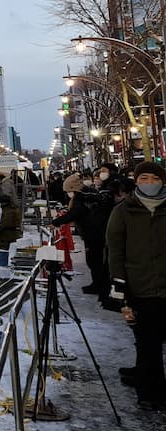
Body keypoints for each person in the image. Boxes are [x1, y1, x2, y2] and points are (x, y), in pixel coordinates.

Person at [105, 161, 166, 411]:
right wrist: (120, 290)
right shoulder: (123, 211)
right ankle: (150, 392)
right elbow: (115, 251)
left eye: (154, 178)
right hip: (139, 287)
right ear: (136, 181)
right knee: (147, 343)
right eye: (143, 179)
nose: (149, 183)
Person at [53, 172, 113, 303]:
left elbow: (74, 214)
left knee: (95, 261)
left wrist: (56, 222)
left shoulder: (81, 198)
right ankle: (97, 285)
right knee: (94, 261)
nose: (67, 194)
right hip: (93, 233)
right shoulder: (87, 195)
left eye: (68, 191)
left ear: (73, 189)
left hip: (94, 234)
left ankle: (101, 288)